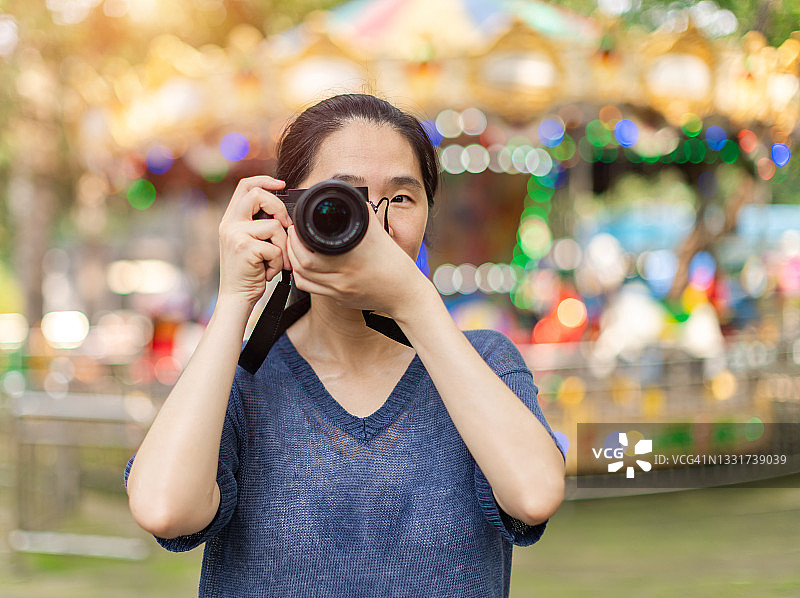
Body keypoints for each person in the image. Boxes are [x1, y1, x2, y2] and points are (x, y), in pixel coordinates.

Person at [124, 93, 566, 597]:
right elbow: (165, 510)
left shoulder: (484, 363)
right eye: (344, 199)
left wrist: (415, 303)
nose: (375, 225)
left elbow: (534, 495)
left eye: (401, 198)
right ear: (287, 210)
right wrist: (235, 299)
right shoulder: (240, 379)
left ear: (427, 215)